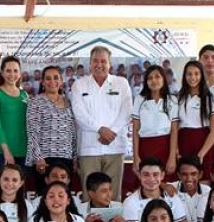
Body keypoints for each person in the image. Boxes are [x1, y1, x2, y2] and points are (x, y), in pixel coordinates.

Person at [71, 46, 131, 193]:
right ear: (90, 64)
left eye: (103, 61)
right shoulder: (79, 85)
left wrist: (112, 132)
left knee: (113, 194)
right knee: (90, 195)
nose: (99, 65)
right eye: (95, 61)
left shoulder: (121, 83)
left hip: (115, 147)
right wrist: (100, 129)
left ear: (109, 64)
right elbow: (79, 114)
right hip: (89, 149)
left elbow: (126, 111)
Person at [122, 156, 191, 222]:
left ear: (162, 175)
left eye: (155, 175)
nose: (151, 179)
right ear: (139, 175)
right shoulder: (130, 202)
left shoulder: (172, 197)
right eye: (146, 175)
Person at [25, 65, 77, 180]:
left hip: (66, 158)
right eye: (48, 78)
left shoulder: (68, 101)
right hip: (45, 159)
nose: (52, 81)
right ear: (42, 82)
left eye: (55, 77)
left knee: (64, 196)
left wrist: (74, 157)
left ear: (61, 80)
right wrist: (38, 158)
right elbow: (32, 132)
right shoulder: (36, 101)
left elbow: (72, 132)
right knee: (46, 196)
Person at [132, 64, 180, 176]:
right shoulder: (140, 99)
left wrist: (172, 157)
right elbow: (135, 130)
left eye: (157, 76)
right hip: (145, 147)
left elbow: (174, 130)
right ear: (146, 81)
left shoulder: (172, 100)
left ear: (163, 78)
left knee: (167, 184)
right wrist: (136, 156)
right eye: (150, 78)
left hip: (165, 147)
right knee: (147, 182)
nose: (154, 80)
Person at [173, 61, 214, 179]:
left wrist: (201, 154)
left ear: (202, 75)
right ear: (184, 76)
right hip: (184, 142)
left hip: (204, 143)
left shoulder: (209, 98)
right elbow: (175, 127)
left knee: (204, 180)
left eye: (196, 74)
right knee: (185, 179)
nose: (193, 77)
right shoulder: (178, 98)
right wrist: (176, 149)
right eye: (189, 74)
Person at [0, 56, 29, 182]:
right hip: (2, 150)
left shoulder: (24, 94)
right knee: (1, 189)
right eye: (8, 71)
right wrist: (6, 150)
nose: (12, 74)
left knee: (19, 190)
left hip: (22, 149)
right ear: (2, 72)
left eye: (15, 71)